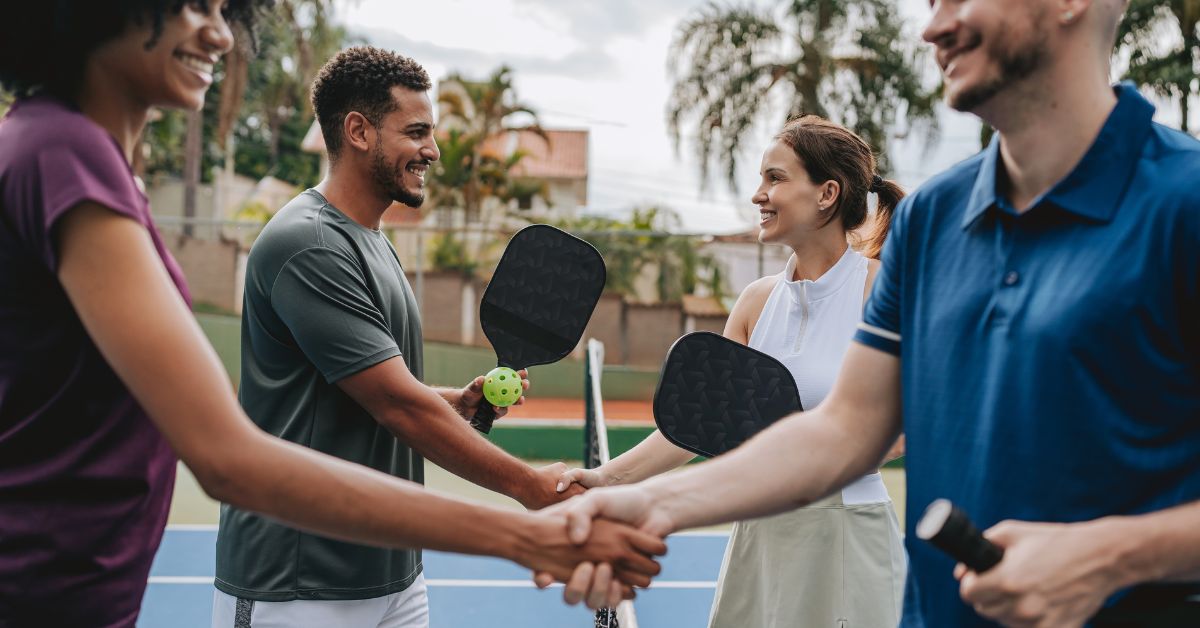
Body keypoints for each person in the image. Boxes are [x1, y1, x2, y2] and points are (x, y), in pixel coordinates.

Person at [0, 3, 662, 626]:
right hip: (199, 586)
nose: (223, 34)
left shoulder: (82, 157)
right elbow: (227, 453)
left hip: (87, 592)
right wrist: (525, 527)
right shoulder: (66, 156)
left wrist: (448, 404)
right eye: (193, 6)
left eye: (224, 10)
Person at [548, 0, 1200, 625]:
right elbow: (843, 432)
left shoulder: (1185, 203)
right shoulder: (931, 220)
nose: (932, 28)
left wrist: (1107, 557)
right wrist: (642, 501)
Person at [210, 45, 587, 627]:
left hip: (392, 575)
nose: (432, 150)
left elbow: (373, 388)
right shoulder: (309, 244)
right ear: (358, 131)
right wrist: (527, 485)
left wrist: (457, 404)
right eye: (415, 133)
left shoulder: (374, 240)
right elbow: (395, 405)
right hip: (299, 581)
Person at [555, 115, 907, 627]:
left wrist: (827, 461)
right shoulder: (756, 302)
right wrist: (608, 479)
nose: (758, 194)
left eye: (775, 178)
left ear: (827, 193)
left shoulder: (884, 292)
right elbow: (699, 427)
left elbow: (919, 420)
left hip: (848, 532)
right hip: (760, 531)